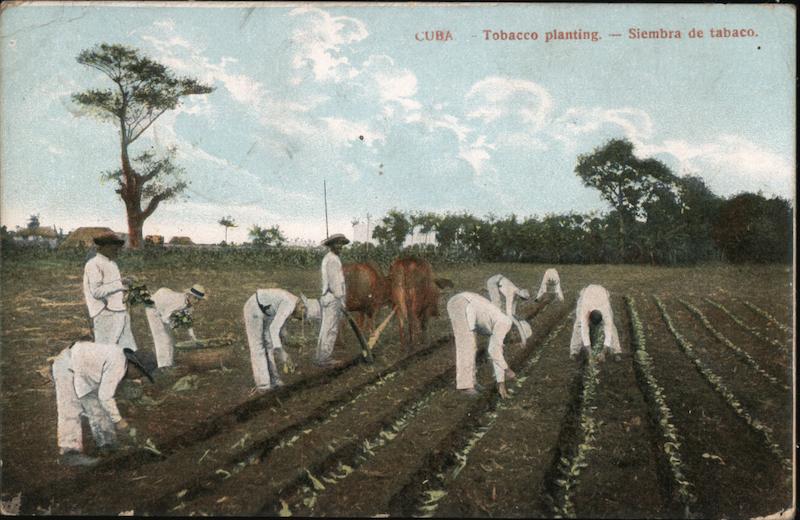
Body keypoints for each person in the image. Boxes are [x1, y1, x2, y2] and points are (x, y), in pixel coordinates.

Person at [52, 340, 152, 466]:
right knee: (70, 408)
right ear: (134, 366)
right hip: (68, 365)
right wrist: (119, 421)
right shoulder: (118, 365)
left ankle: (107, 444)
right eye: (141, 374)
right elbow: (105, 397)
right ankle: (69, 452)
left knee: (97, 407)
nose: (138, 377)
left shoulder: (119, 360)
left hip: (84, 371)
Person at [447, 292, 516, 398]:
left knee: (472, 346)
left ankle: (471, 382)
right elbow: (494, 351)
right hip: (461, 303)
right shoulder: (505, 323)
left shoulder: (501, 323)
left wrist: (501, 384)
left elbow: (496, 353)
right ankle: (465, 386)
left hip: (469, 305)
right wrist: (508, 370)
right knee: (466, 343)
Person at [82, 232, 137, 351]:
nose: (117, 252)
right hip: (105, 313)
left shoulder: (112, 264)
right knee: (105, 351)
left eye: (118, 249)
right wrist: (120, 284)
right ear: (104, 247)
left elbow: (113, 286)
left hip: (120, 311)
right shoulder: (93, 264)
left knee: (127, 349)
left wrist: (124, 282)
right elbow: (96, 292)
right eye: (114, 249)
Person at [243, 288, 305, 392]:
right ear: (302, 308)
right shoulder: (290, 304)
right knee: (258, 346)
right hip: (253, 307)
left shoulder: (292, 302)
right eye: (299, 317)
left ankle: (274, 380)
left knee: (269, 345)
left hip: (267, 312)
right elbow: (274, 329)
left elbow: (280, 330)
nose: (295, 318)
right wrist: (282, 354)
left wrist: (290, 344)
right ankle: (263, 385)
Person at [144, 285, 206, 369]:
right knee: (162, 337)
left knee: (171, 339)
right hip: (154, 308)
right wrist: (175, 324)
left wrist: (193, 337)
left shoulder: (190, 307)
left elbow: (188, 322)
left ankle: (169, 363)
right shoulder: (179, 302)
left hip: (165, 305)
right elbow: (165, 317)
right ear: (189, 295)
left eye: (199, 300)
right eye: (195, 298)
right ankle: (163, 366)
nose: (197, 301)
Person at [315, 233, 349, 368]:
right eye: (337, 243)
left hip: (329, 297)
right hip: (333, 298)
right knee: (330, 329)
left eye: (341, 244)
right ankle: (324, 358)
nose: (340, 246)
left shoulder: (330, 258)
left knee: (326, 328)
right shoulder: (333, 260)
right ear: (331, 245)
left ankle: (321, 356)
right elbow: (335, 284)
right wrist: (342, 301)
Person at [570, 284, 621, 362]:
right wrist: (590, 353)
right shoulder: (585, 311)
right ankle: (574, 351)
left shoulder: (605, 312)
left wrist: (603, 352)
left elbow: (608, 331)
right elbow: (584, 331)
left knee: (612, 327)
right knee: (579, 324)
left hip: (602, 294)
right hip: (585, 295)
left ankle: (616, 351)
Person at [486, 274, 532, 346]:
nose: (522, 292)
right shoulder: (513, 293)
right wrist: (524, 341)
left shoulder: (515, 294)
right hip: (493, 282)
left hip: (496, 280)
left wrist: (517, 321)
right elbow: (511, 316)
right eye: (523, 292)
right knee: (498, 311)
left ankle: (502, 338)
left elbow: (513, 314)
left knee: (504, 314)